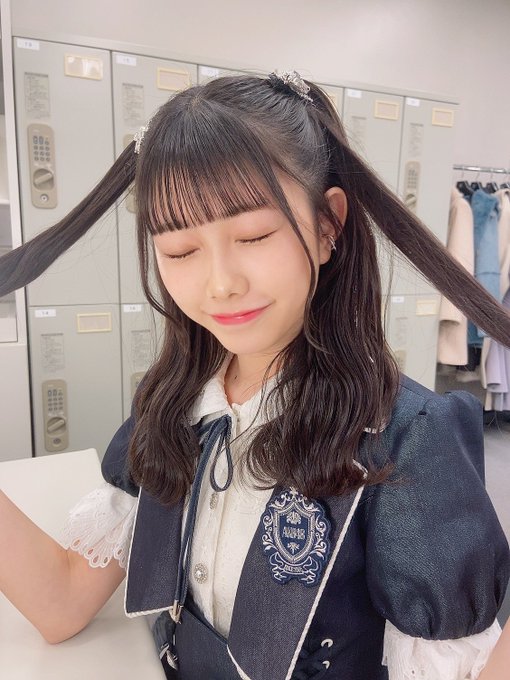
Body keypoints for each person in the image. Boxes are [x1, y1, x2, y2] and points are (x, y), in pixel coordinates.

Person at [1, 70, 510, 680]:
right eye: (180, 251)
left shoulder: (404, 439)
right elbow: (61, 603)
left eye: (254, 235)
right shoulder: (171, 406)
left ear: (328, 225)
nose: (220, 284)